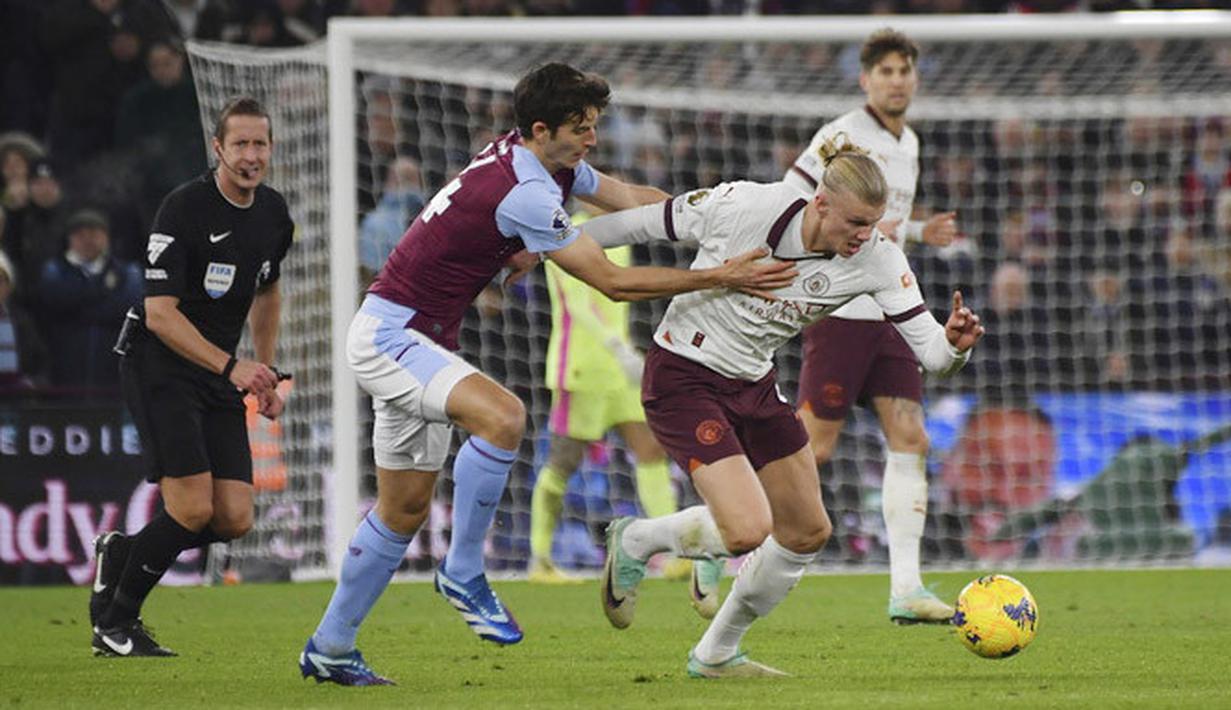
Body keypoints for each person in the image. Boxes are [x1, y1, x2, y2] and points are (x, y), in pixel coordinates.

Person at [298, 62, 795, 687]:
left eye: (593, 126)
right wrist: (721, 275)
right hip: (390, 336)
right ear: (541, 129)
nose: (592, 138)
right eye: (581, 128)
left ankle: (331, 646)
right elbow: (613, 282)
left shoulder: (540, 164)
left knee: (401, 510)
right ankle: (463, 572)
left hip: (418, 338)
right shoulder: (528, 191)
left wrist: (713, 217)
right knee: (504, 417)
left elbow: (633, 201)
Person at [586, 136, 983, 677]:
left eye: (874, 223)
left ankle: (716, 653)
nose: (866, 236)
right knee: (748, 530)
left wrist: (956, 346)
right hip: (684, 375)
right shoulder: (747, 206)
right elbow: (642, 223)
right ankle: (636, 539)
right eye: (856, 223)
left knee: (806, 531)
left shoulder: (878, 259)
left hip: (753, 383)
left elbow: (933, 357)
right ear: (820, 202)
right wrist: (549, 245)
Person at [88, 97, 294, 657]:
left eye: (260, 144)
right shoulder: (184, 209)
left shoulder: (274, 214)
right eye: (241, 145)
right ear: (218, 149)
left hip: (219, 372)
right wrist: (233, 367)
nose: (251, 155)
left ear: (270, 148)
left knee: (234, 518)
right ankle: (115, 624)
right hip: (160, 367)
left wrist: (266, 372)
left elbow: (268, 290)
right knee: (192, 509)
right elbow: (160, 313)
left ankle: (121, 555)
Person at [783, 29, 959, 624]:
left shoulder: (908, 141)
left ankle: (906, 589)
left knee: (910, 437)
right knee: (814, 446)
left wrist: (915, 232)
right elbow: (795, 199)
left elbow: (878, 226)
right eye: (885, 70)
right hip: (841, 310)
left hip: (892, 308)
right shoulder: (841, 135)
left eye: (905, 69)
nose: (897, 79)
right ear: (865, 80)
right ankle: (723, 535)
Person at [529, 212, 722, 610]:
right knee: (564, 460)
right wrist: (614, 347)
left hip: (619, 371)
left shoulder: (621, 238)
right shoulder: (566, 231)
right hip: (579, 366)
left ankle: (674, 556)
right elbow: (579, 304)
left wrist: (625, 351)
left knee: (651, 449)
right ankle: (540, 558)